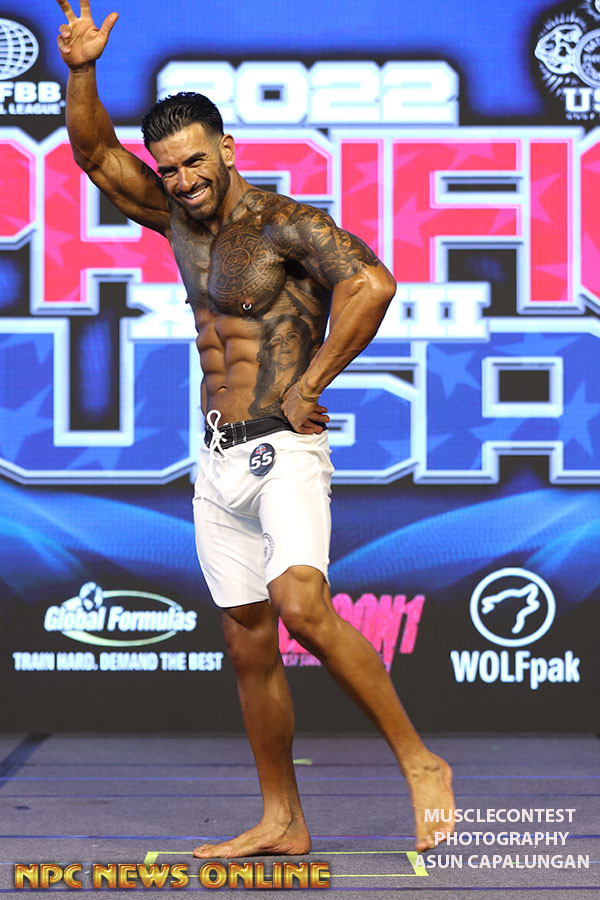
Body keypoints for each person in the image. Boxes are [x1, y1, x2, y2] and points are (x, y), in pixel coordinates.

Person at [56, 0, 456, 858]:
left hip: (285, 448)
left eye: (195, 162)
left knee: (301, 606)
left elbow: (373, 284)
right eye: (170, 169)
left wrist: (311, 383)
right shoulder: (175, 219)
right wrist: (83, 70)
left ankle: (421, 761)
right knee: (247, 642)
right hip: (217, 460)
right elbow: (94, 155)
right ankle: (283, 818)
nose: (183, 180)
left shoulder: (283, 222)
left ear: (228, 149)